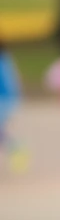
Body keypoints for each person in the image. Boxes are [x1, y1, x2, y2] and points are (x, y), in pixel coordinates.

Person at [0, 34, 24, 169]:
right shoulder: (5, 57)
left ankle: (16, 149)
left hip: (3, 101)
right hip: (9, 100)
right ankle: (16, 149)